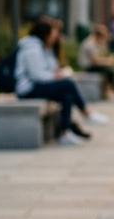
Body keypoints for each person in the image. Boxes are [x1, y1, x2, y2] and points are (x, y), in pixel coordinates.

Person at [16, 16, 108, 146]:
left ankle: (65, 133)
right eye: (53, 34)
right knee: (68, 84)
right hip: (27, 89)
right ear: (45, 34)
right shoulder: (32, 48)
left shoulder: (43, 47)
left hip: (36, 85)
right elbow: (37, 75)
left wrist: (57, 70)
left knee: (66, 95)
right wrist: (56, 77)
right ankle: (86, 113)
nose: (55, 38)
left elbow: (50, 67)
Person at [78, 24, 114, 101]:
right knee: (110, 70)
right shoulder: (89, 44)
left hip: (94, 66)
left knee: (111, 69)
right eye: (103, 36)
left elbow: (103, 55)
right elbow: (95, 61)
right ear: (98, 35)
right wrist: (108, 61)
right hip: (88, 67)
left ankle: (110, 91)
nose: (104, 38)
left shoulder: (97, 42)